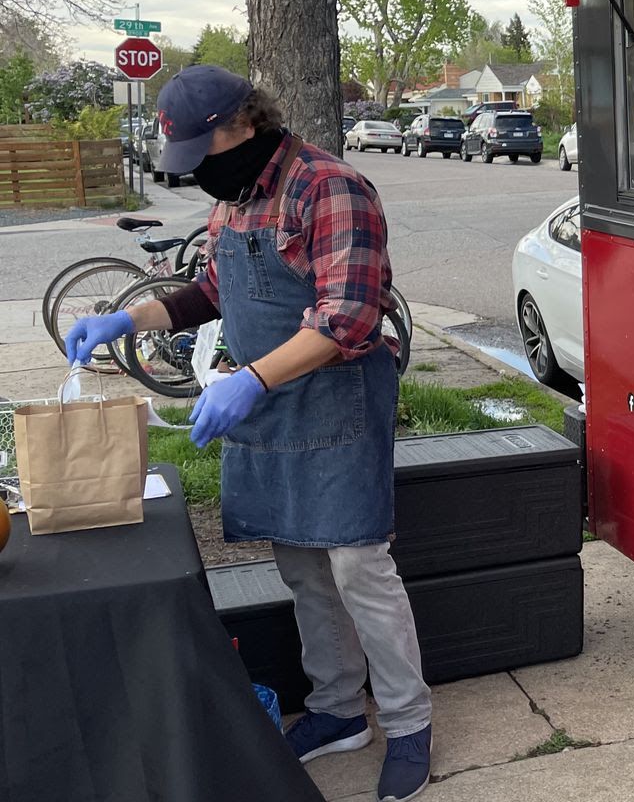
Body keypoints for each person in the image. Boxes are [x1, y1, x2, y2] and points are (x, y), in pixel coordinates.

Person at [64, 66, 432, 802]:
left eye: (201, 151)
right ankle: (337, 709)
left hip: (338, 400)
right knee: (300, 565)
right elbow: (213, 290)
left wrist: (253, 379)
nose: (195, 170)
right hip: (271, 404)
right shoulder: (233, 200)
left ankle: (408, 722)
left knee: (358, 567)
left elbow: (349, 316)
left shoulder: (329, 188)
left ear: (243, 124)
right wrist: (128, 318)